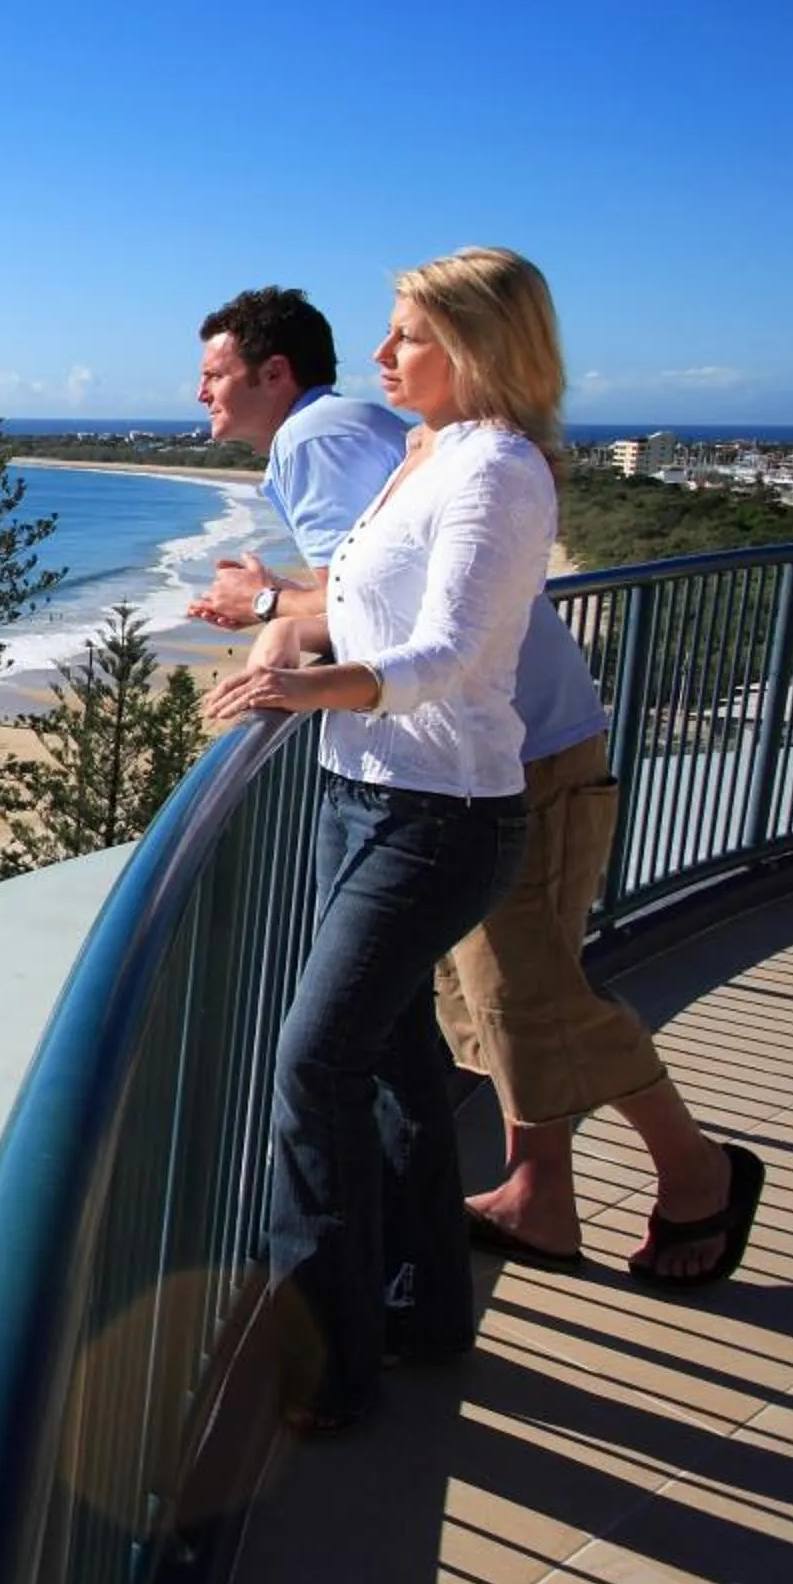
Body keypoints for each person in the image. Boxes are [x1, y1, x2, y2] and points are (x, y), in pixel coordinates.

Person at [187, 284, 758, 1292]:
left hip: (497, 751)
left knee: (527, 991)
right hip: (502, 738)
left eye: (215, 374)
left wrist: (269, 604)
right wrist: (287, 601)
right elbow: (388, 573)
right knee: (482, 994)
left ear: (275, 374)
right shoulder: (393, 431)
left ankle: (698, 1173)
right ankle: (539, 1193)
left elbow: (378, 613)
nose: (200, 395)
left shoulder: (317, 438)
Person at [205, 248, 571, 1431]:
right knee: (400, 1055)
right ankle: (417, 1306)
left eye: (405, 334)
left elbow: (451, 657)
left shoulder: (500, 469)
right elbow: (356, 603)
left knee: (315, 1065)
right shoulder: (423, 452)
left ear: (474, 345)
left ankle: (317, 1363)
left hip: (441, 812)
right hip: (366, 796)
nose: (378, 356)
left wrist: (300, 687)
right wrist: (280, 625)